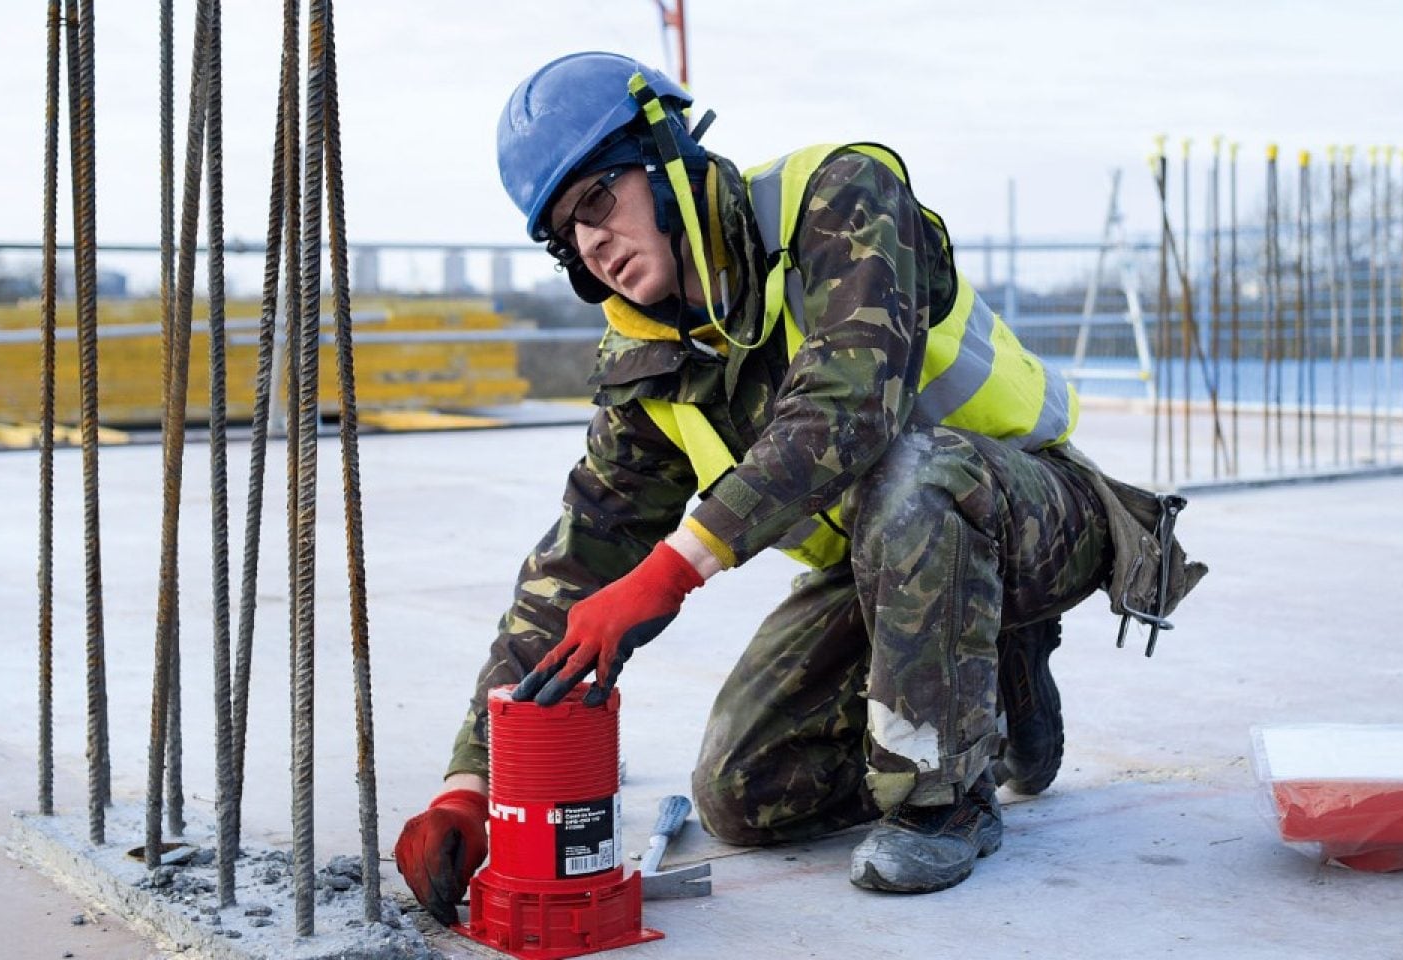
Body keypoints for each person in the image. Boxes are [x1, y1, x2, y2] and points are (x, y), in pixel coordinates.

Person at [393, 52, 1205, 921]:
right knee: (742, 794)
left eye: (598, 199)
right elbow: (580, 562)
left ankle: (945, 803)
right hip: (887, 567)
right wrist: (473, 782)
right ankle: (993, 711)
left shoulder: (838, 198)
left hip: (1030, 514)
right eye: (567, 233)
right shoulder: (650, 366)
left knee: (911, 474)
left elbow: (847, 408)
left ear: (667, 161)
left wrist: (671, 570)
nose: (591, 242)